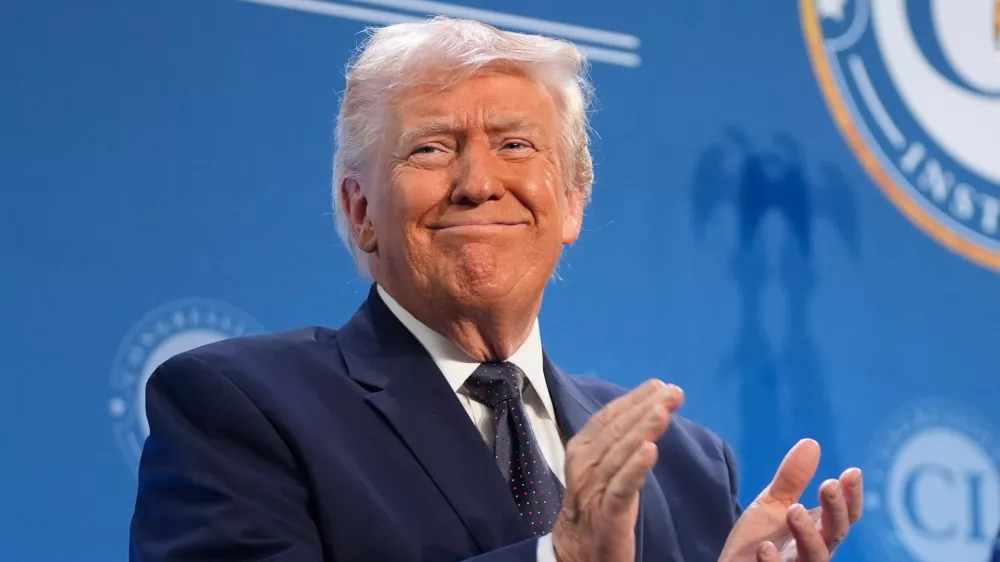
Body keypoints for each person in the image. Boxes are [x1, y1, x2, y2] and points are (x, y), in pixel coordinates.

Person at [129, 17, 863, 562]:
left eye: (515, 145)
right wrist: (559, 557)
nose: (479, 184)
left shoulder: (688, 465)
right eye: (431, 148)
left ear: (572, 201)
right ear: (361, 212)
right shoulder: (240, 409)